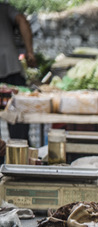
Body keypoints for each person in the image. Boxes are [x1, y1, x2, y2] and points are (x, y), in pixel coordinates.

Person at [0, 3, 36, 141]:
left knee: (17, 116)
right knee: (17, 120)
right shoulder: (4, 8)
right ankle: (19, 155)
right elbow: (22, 19)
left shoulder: (4, 8)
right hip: (10, 68)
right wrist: (30, 52)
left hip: (10, 69)